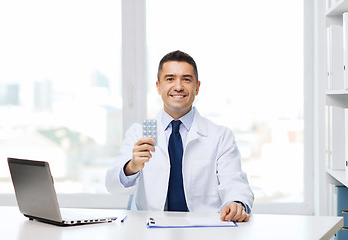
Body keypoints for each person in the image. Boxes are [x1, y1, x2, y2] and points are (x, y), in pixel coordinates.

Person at [105, 50, 254, 222]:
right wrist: (132, 166)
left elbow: (235, 182)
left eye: (186, 79)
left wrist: (236, 203)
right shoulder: (139, 133)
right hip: (152, 231)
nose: (178, 86)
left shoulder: (220, 136)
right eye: (170, 79)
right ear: (158, 87)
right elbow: (112, 186)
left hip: (205, 230)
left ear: (197, 87)